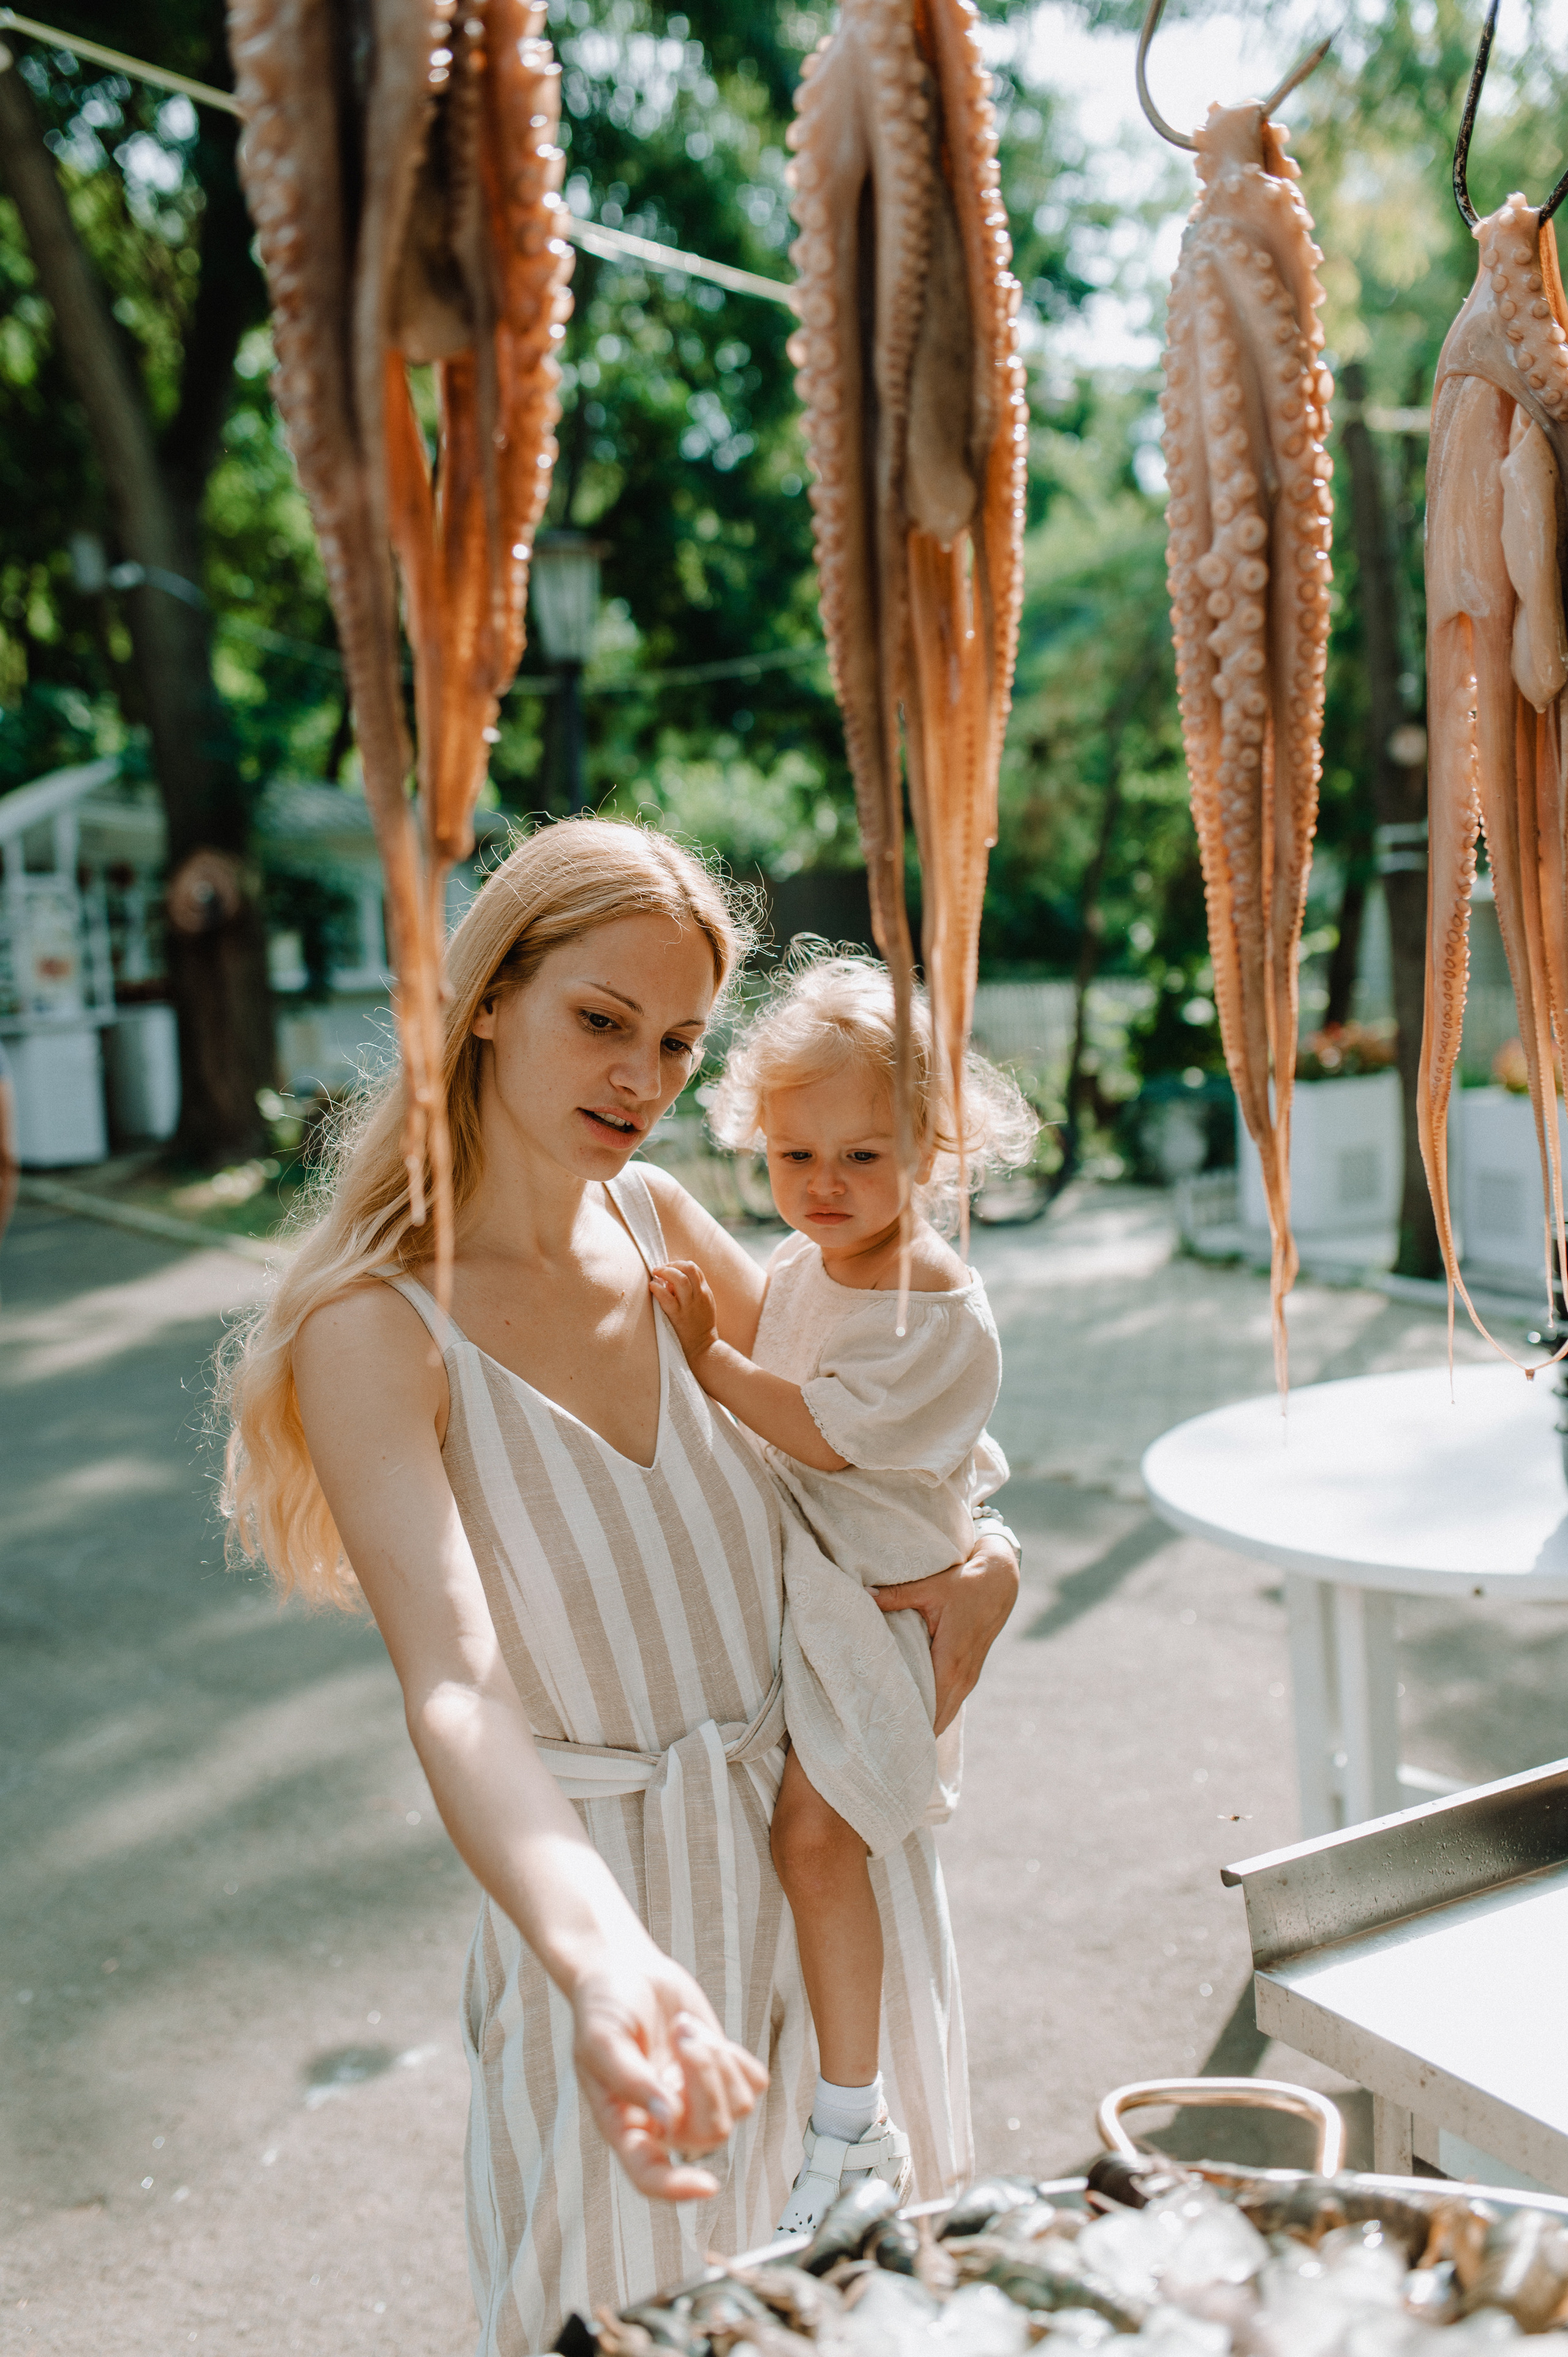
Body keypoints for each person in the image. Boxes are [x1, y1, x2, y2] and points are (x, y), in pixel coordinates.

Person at [218, 820, 1019, 2350]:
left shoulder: (659, 1227)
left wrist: (992, 1562)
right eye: (601, 1022)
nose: (641, 1083)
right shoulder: (376, 1328)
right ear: (488, 1000)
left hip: (827, 1881)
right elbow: (453, 1689)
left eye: (675, 1041)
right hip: (622, 1949)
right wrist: (598, 1963)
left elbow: (899, 1425)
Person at [649, 956, 1035, 2232]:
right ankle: (843, 2117)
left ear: (933, 1147)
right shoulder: (807, 1265)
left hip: (896, 1613)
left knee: (818, 1840)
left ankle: (850, 2124)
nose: (821, 1186)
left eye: (861, 1157)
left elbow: (819, 1430)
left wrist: (704, 1351)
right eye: (791, 1154)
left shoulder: (938, 1308)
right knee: (809, 1843)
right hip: (836, 1602)